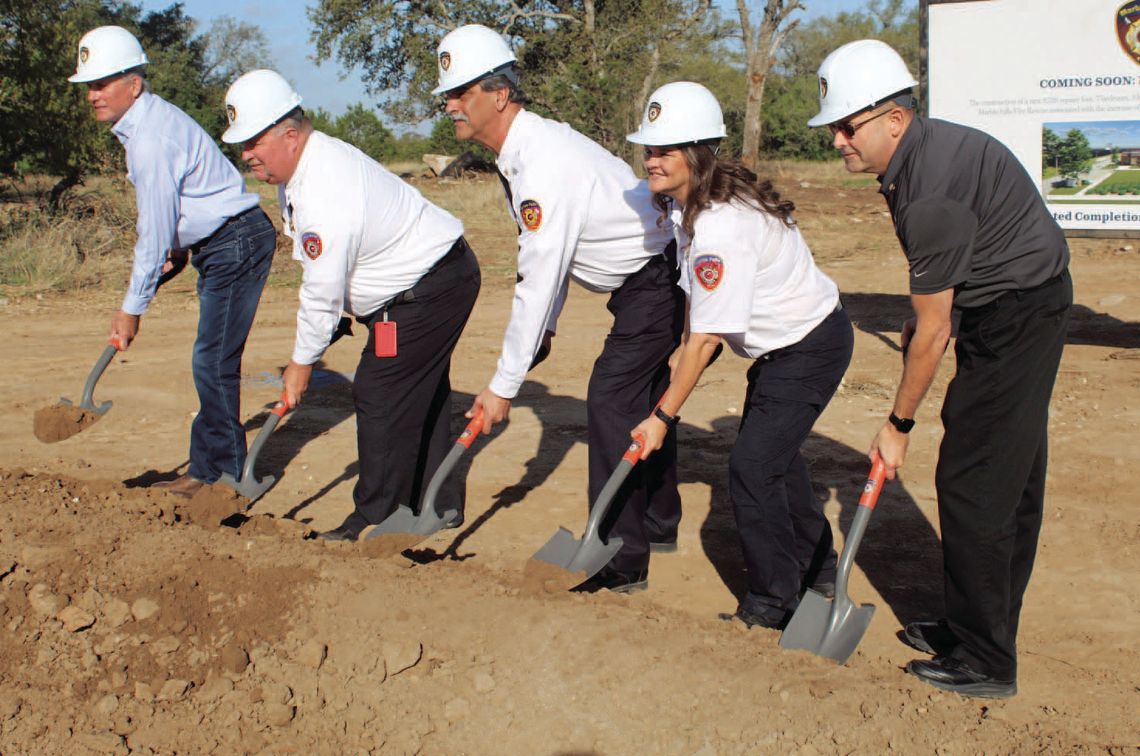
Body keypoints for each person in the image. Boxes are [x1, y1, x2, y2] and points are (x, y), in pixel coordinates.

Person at [808, 40, 1072, 698]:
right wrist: (938, 313)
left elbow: (931, 333)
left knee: (975, 483)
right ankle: (975, 625)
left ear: (893, 117)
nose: (837, 139)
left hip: (1020, 311)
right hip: (1008, 299)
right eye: (834, 127)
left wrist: (897, 423)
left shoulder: (927, 190)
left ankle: (986, 660)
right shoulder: (920, 155)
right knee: (1007, 476)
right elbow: (937, 305)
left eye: (848, 126)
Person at [434, 25, 685, 592]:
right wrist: (543, 331)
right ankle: (658, 520)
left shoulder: (541, 163)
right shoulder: (526, 152)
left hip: (657, 282)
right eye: (447, 95)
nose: (450, 105)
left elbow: (540, 273)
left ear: (498, 95)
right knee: (642, 398)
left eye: (461, 92)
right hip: (649, 282)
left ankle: (621, 559)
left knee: (612, 399)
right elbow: (555, 256)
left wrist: (503, 386)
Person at [626, 82, 853, 627]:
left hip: (808, 345)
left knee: (753, 469)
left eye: (664, 150)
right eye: (648, 150)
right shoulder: (698, 205)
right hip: (790, 348)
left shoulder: (721, 227)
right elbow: (696, 316)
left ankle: (774, 602)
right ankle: (818, 565)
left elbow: (704, 341)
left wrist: (661, 416)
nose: (650, 161)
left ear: (697, 153)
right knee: (774, 461)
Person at [221, 70, 481, 541]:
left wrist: (302, 362)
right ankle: (435, 505)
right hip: (424, 281)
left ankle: (375, 515)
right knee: (419, 390)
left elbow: (321, 286)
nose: (246, 154)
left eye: (254, 142)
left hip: (430, 284)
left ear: (291, 135)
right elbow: (326, 267)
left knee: (379, 390)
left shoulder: (323, 183)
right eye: (242, 144)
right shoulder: (299, 174)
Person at [69, 26, 276, 498]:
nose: (92, 95)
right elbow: (186, 200)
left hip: (235, 240)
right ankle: (206, 469)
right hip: (223, 239)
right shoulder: (146, 125)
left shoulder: (151, 138)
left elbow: (153, 229)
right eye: (89, 86)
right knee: (211, 358)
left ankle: (223, 476)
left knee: (212, 358)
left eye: (101, 84)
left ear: (133, 84)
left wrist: (131, 308)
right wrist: (180, 249)